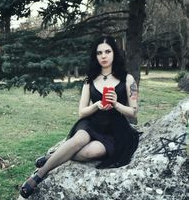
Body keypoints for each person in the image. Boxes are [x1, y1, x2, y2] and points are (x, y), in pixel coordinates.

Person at [19, 35, 140, 198]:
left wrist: (116, 104)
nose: (103, 56)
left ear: (114, 53)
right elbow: (82, 112)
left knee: (91, 153)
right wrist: (96, 105)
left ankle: (53, 157)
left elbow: (133, 112)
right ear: (95, 56)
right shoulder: (90, 80)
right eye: (99, 53)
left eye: (107, 51)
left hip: (114, 130)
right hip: (92, 123)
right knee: (78, 140)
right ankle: (38, 176)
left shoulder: (127, 79)